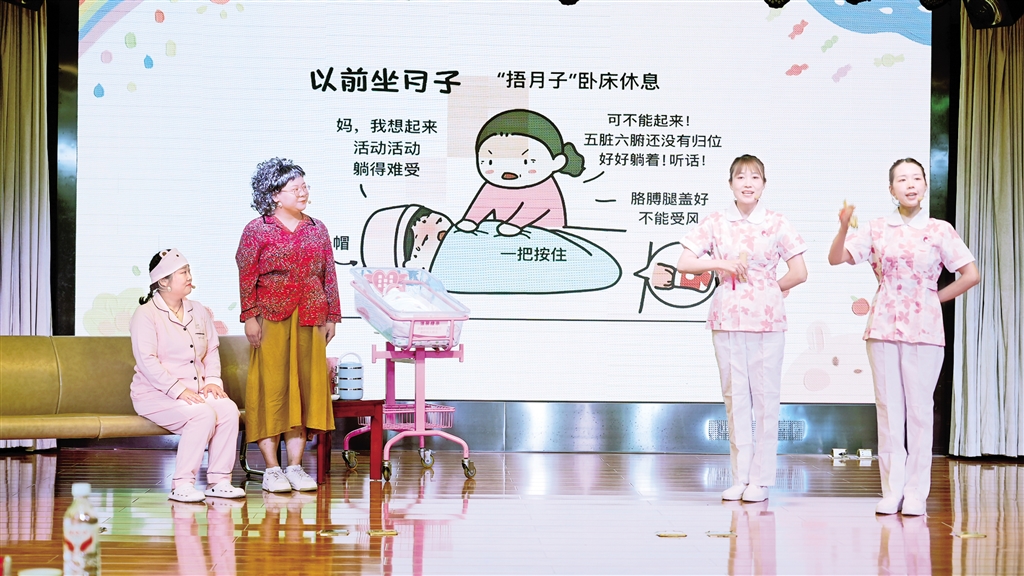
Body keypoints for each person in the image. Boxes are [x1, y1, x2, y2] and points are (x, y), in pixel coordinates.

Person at [828, 158, 979, 516]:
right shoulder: (878, 228)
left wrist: (933, 299)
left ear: (925, 186)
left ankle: (915, 493)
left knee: (920, 411)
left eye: (916, 178)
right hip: (882, 327)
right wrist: (843, 227)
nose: (910, 185)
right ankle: (892, 490)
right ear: (891, 189)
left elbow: (971, 274)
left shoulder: (940, 230)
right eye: (902, 180)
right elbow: (836, 258)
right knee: (889, 410)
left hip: (925, 330)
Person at [668, 154, 808, 503]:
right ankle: (739, 477)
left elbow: (799, 272)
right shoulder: (716, 222)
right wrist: (722, 263)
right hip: (727, 314)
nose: (748, 183)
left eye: (755, 177)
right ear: (730, 184)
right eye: (741, 177)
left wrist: (769, 288)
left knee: (765, 398)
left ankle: (761, 480)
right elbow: (684, 262)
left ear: (764, 184)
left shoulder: (776, 222)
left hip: (767, 319)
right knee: (735, 398)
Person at [236, 158, 340, 493]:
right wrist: (250, 316)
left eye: (304, 186)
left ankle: (295, 466)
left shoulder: (317, 228)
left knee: (304, 389)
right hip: (271, 316)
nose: (303, 193)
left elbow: (328, 273)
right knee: (272, 389)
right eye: (295, 188)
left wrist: (332, 316)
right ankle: (271, 469)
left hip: (311, 315)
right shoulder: (257, 229)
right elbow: (246, 275)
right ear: (275, 195)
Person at [129, 249, 245, 502]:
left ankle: (219, 481)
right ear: (163, 281)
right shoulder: (145, 314)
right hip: (155, 395)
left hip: (196, 391)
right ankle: (182, 484)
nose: (190, 276)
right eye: (183, 272)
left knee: (227, 409)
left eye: (188, 270)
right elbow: (147, 361)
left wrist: (212, 381)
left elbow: (211, 350)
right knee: (202, 414)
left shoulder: (198, 310)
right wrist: (178, 390)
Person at [456, 109, 585, 237]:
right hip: (506, 236)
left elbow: (537, 208)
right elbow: (483, 203)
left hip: (546, 236)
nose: (508, 169)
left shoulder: (544, 188)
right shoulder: (493, 185)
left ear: (556, 162)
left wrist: (515, 224)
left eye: (526, 162)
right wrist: (471, 220)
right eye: (490, 162)